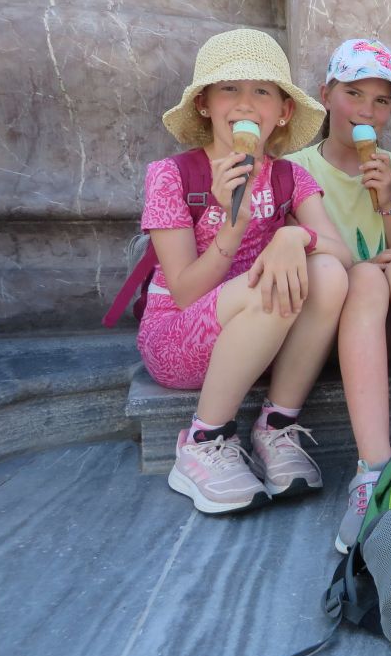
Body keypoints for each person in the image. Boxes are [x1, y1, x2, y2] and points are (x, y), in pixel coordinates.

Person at [140, 28, 351, 515]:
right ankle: (203, 441)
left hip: (262, 337)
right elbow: (186, 292)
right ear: (204, 104)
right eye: (229, 88)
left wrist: (293, 237)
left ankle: (276, 427)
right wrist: (228, 221)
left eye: (262, 91)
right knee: (266, 283)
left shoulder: (290, 177)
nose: (245, 103)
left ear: (284, 111)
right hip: (179, 339)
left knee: (328, 273)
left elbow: (341, 253)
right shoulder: (172, 175)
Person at [287, 38, 391, 553]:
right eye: (353, 94)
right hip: (332, 329)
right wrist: (361, 269)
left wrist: (386, 203)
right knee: (367, 278)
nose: (366, 111)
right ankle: (372, 469)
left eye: (381, 101)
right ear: (325, 95)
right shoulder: (294, 170)